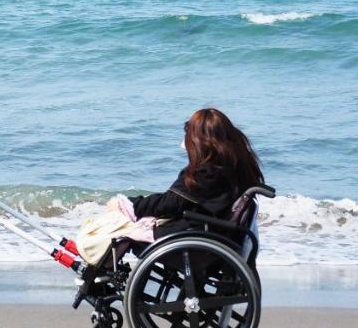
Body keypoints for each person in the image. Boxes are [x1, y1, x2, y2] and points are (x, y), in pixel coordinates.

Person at [76, 108, 265, 263]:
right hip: (214, 235)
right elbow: (176, 200)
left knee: (127, 233)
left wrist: (131, 204)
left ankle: (101, 270)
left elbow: (171, 203)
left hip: (196, 239)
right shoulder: (232, 166)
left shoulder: (207, 172)